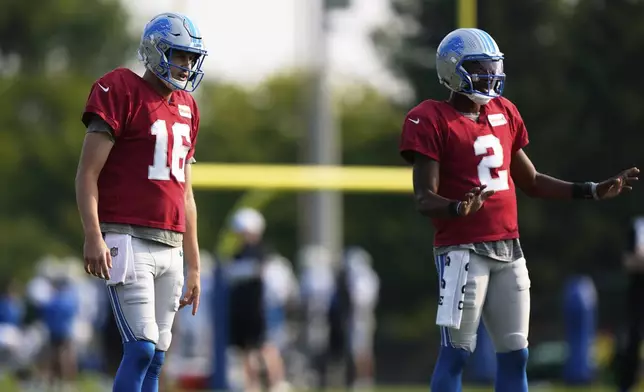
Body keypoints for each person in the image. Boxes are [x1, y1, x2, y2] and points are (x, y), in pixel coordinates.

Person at [398, 27, 639, 392]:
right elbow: (423, 198)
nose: (490, 76)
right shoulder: (430, 117)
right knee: (457, 353)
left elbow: (532, 181)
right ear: (454, 70)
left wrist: (591, 191)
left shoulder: (504, 112)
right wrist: (456, 208)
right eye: (480, 68)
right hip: (462, 252)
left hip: (509, 249)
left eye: (493, 68)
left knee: (516, 354)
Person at [74, 12, 206, 392]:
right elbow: (87, 172)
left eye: (189, 58)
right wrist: (93, 234)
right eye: (178, 55)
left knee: (158, 355)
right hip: (127, 238)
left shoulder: (188, 107)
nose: (185, 66)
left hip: (172, 243)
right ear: (155, 50)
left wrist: (195, 265)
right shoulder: (119, 88)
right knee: (141, 349)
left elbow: (186, 192)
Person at [226, 208, 288, 392]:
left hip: (259, 310)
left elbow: (261, 274)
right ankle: (251, 387)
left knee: (266, 348)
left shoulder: (262, 252)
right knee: (247, 352)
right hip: (242, 310)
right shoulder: (239, 254)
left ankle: (276, 384)